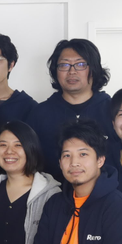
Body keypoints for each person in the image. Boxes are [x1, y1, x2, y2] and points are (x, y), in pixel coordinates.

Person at [27, 38, 112, 180]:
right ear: (55, 71)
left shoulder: (113, 111)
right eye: (64, 65)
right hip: (52, 191)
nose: (72, 71)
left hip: (106, 191)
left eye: (80, 64)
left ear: (94, 69)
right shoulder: (39, 114)